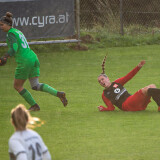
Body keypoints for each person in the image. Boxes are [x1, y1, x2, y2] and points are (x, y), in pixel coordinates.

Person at [0, 12, 68, 111]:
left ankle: (34, 106)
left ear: (9, 24)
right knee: (35, 85)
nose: (1, 27)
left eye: (2, 25)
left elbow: (14, 48)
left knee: (17, 86)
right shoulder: (17, 31)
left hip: (25, 61)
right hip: (33, 57)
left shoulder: (10, 34)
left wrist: (5, 56)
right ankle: (59, 94)